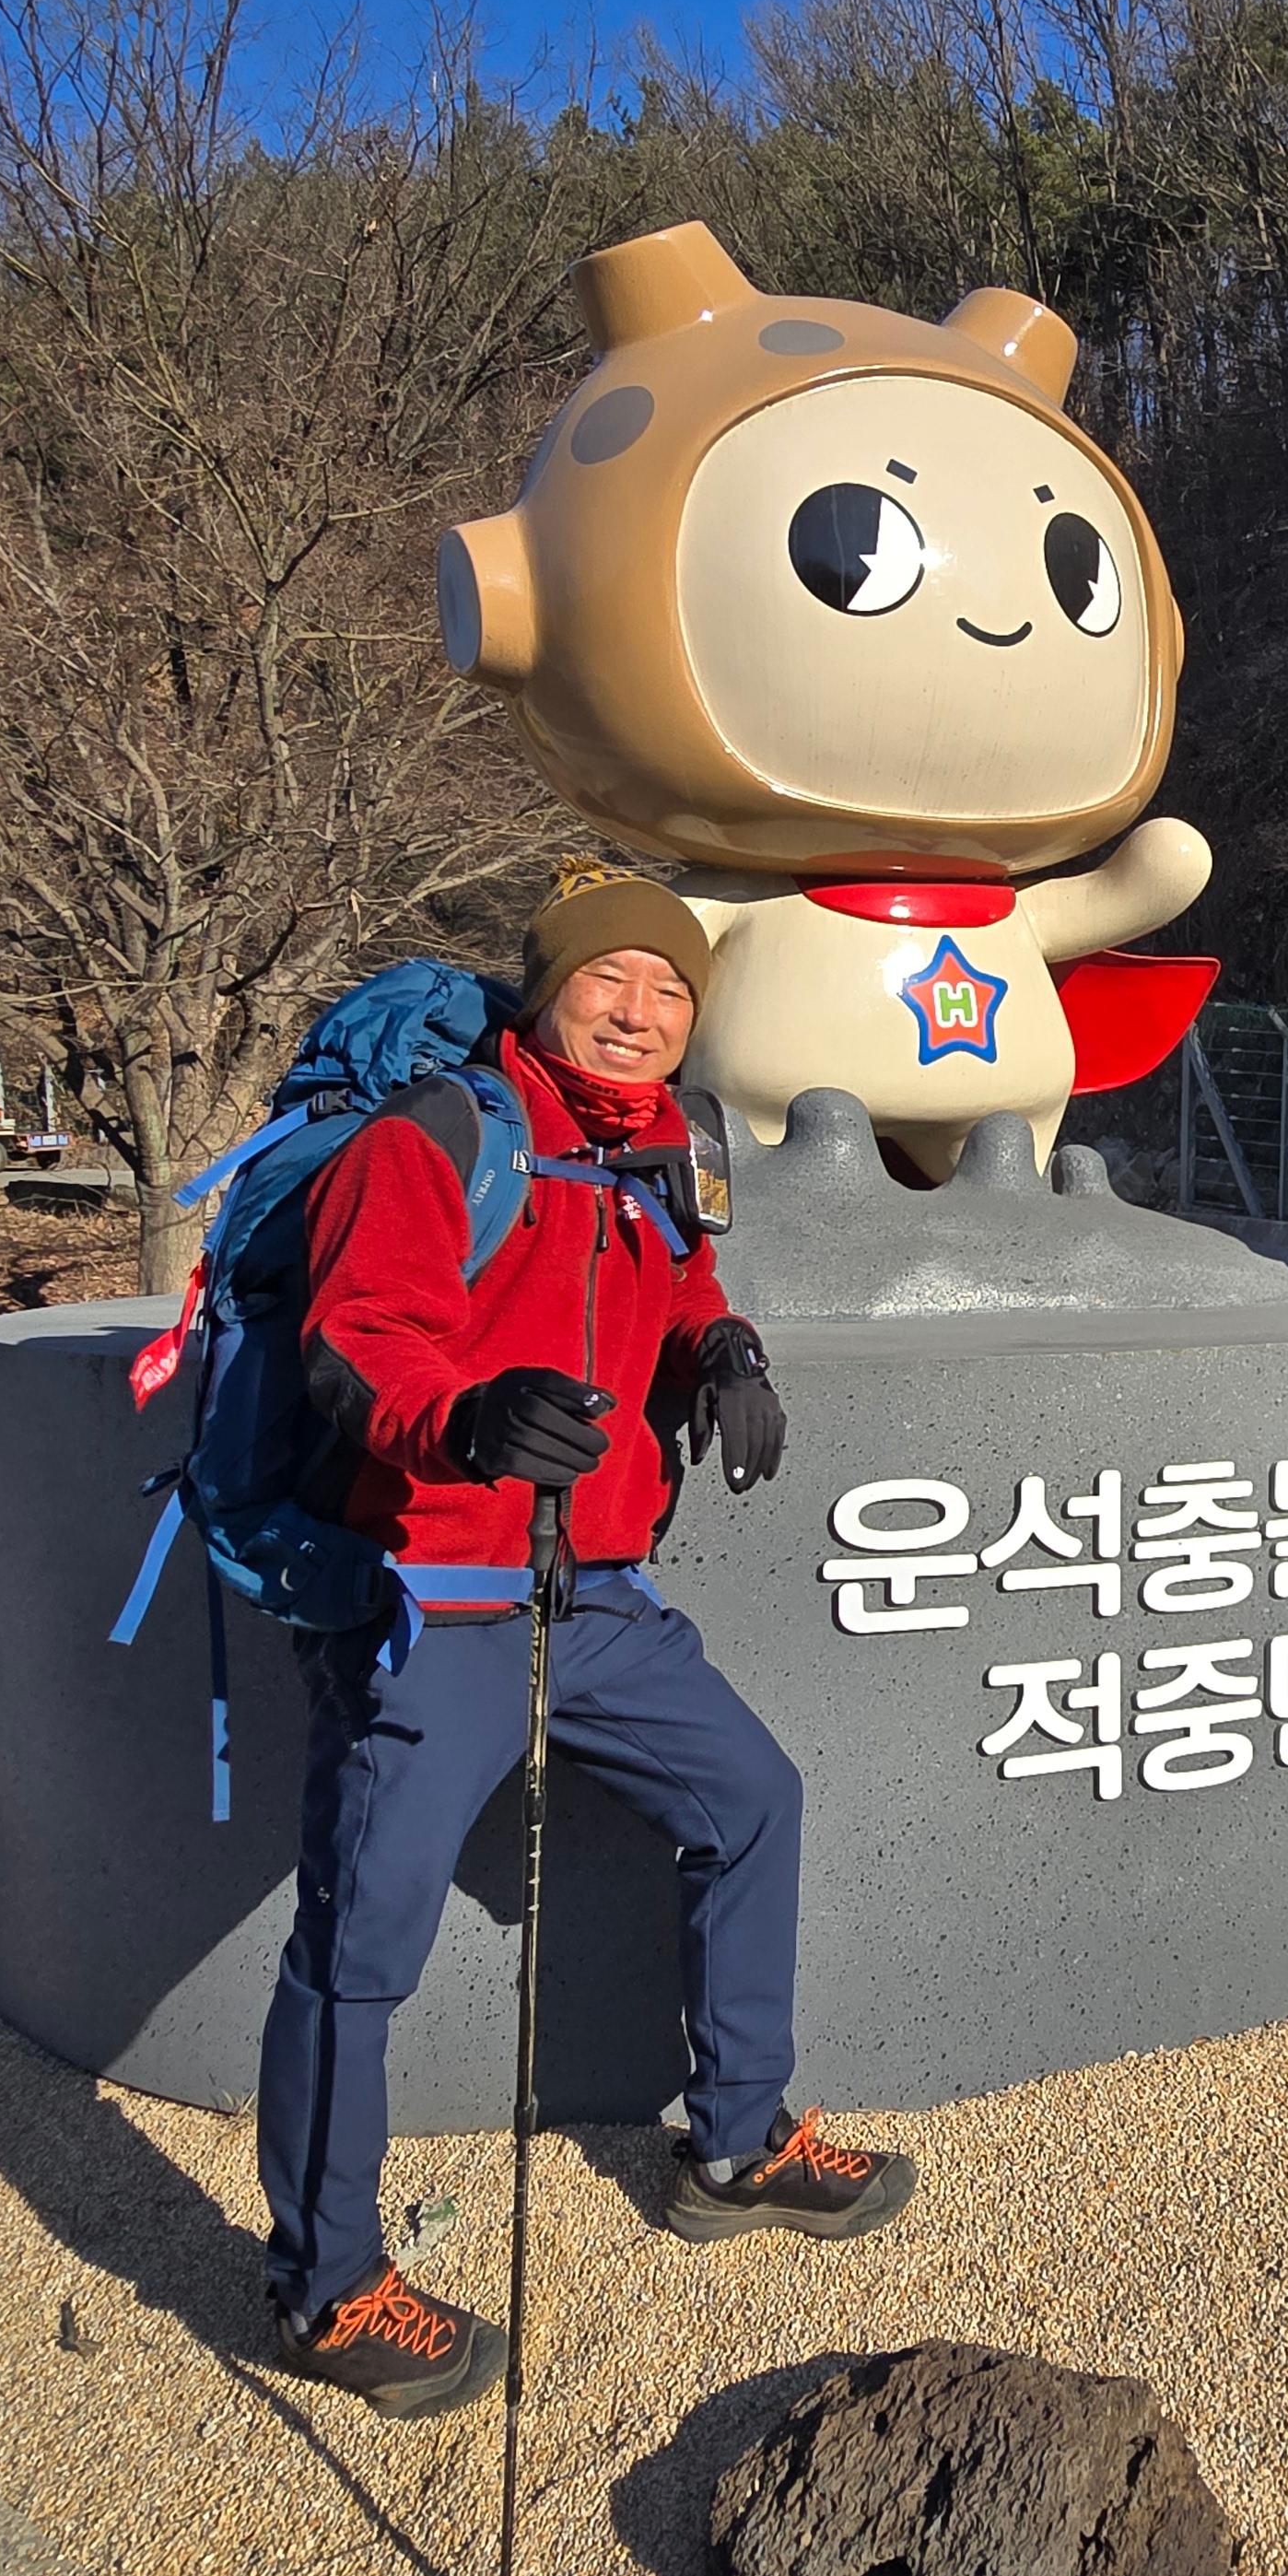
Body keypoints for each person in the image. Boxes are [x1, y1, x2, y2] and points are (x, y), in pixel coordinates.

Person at [259, 872, 918, 2416]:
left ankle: (735, 2145)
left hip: (599, 1593)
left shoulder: (657, 1148)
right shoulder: (437, 1133)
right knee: (360, 1947)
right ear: (546, 988)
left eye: (671, 988)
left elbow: (677, 1275)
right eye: (611, 978)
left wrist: (721, 1342)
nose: (640, 1009)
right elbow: (359, 1336)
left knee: (752, 1800)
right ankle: (326, 2285)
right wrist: (468, 1420)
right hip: (438, 1593)